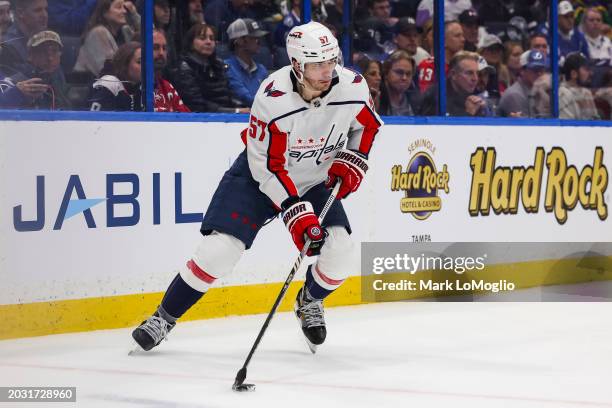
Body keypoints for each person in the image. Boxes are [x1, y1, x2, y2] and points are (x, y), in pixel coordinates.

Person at [131, 21, 382, 353]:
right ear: (296, 64)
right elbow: (269, 168)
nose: (327, 71)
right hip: (258, 176)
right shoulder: (273, 96)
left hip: (315, 178)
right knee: (219, 251)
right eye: (317, 64)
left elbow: (366, 127)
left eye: (331, 61)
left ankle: (309, 300)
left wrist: (353, 159)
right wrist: (296, 212)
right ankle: (163, 317)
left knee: (341, 251)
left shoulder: (353, 86)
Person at [172, 22, 248, 113]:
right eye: (202, 38)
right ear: (191, 43)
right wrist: (236, 111)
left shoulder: (218, 66)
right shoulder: (184, 69)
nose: (208, 42)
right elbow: (196, 105)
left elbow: (229, 96)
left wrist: (243, 108)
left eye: (212, 39)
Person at [73, 0, 140, 77]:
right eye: (119, 7)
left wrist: (134, 14)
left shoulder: (125, 31)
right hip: (90, 85)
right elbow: (109, 70)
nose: (124, 11)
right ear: (105, 12)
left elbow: (151, 38)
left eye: (124, 7)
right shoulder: (98, 33)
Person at [419, 50, 486, 117]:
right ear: (453, 74)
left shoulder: (474, 95)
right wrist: (469, 114)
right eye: (469, 73)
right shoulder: (437, 97)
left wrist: (481, 111)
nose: (475, 78)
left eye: (477, 73)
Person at [225, 18, 269, 106]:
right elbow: (246, 98)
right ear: (240, 41)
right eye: (254, 38)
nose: (259, 42)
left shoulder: (262, 69)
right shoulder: (228, 68)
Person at [88, 41, 142, 111]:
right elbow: (93, 118)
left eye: (145, 62)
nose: (145, 66)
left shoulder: (140, 88)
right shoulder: (109, 84)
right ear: (124, 65)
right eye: (139, 62)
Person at [497, 49, 548, 117]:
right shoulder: (515, 95)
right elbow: (528, 126)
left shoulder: (539, 90)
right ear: (522, 70)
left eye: (541, 69)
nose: (539, 73)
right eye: (535, 69)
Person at [417, 20, 464, 92]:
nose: (463, 39)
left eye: (462, 35)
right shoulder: (430, 65)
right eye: (457, 36)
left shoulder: (464, 66)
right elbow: (425, 97)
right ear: (443, 41)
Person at [152, 28, 189, 112]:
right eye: (155, 48)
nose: (161, 53)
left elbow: (186, 118)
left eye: (164, 48)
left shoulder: (166, 87)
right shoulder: (132, 88)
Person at [3, 0, 48, 64]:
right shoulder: (9, 48)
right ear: (21, 13)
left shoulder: (47, 38)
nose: (45, 15)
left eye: (46, 9)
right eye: (38, 10)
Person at [559, 52, 599, 119]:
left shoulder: (586, 92)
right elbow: (567, 127)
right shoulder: (563, 94)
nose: (591, 73)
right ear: (574, 74)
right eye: (586, 69)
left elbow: (596, 121)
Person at [378, 50, 419, 116]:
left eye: (408, 74)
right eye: (399, 72)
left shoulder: (417, 102)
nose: (404, 78)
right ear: (386, 72)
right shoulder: (376, 100)